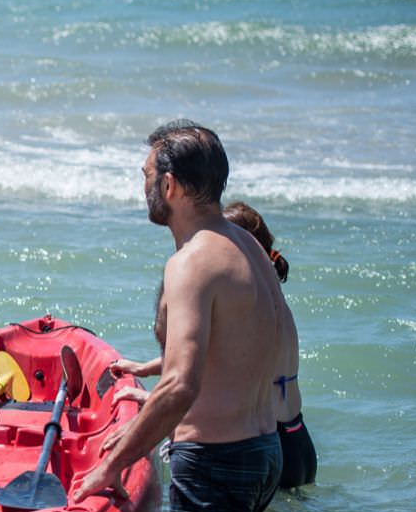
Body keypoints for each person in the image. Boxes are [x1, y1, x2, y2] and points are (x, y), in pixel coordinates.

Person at [71, 122, 294, 512]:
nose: (145, 186)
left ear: (169, 186)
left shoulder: (191, 262)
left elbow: (180, 386)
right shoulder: (246, 244)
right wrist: (140, 419)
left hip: (216, 465)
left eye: (147, 175)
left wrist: (114, 467)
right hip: (264, 453)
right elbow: (247, 348)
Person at [108, 201, 317, 491]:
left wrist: (150, 402)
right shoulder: (274, 304)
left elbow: (205, 366)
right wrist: (144, 369)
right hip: (299, 441)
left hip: (268, 438)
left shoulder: (246, 308)